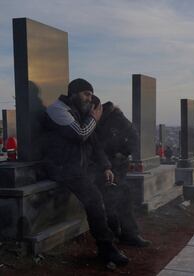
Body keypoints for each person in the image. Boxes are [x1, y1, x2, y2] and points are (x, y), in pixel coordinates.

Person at [43, 78, 129, 266]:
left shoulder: (78, 112)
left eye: (90, 95)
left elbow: (94, 142)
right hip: (62, 167)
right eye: (86, 94)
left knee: (112, 190)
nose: (89, 99)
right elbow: (81, 134)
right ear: (74, 93)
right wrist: (94, 119)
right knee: (94, 199)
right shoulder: (57, 109)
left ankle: (119, 235)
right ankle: (106, 249)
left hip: (77, 166)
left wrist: (106, 166)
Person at [92, 96, 151, 247]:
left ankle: (128, 234)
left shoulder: (116, 117)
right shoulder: (89, 119)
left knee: (121, 195)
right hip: (96, 166)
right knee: (112, 197)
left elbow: (133, 136)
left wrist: (122, 153)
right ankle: (117, 234)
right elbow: (94, 146)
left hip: (116, 165)